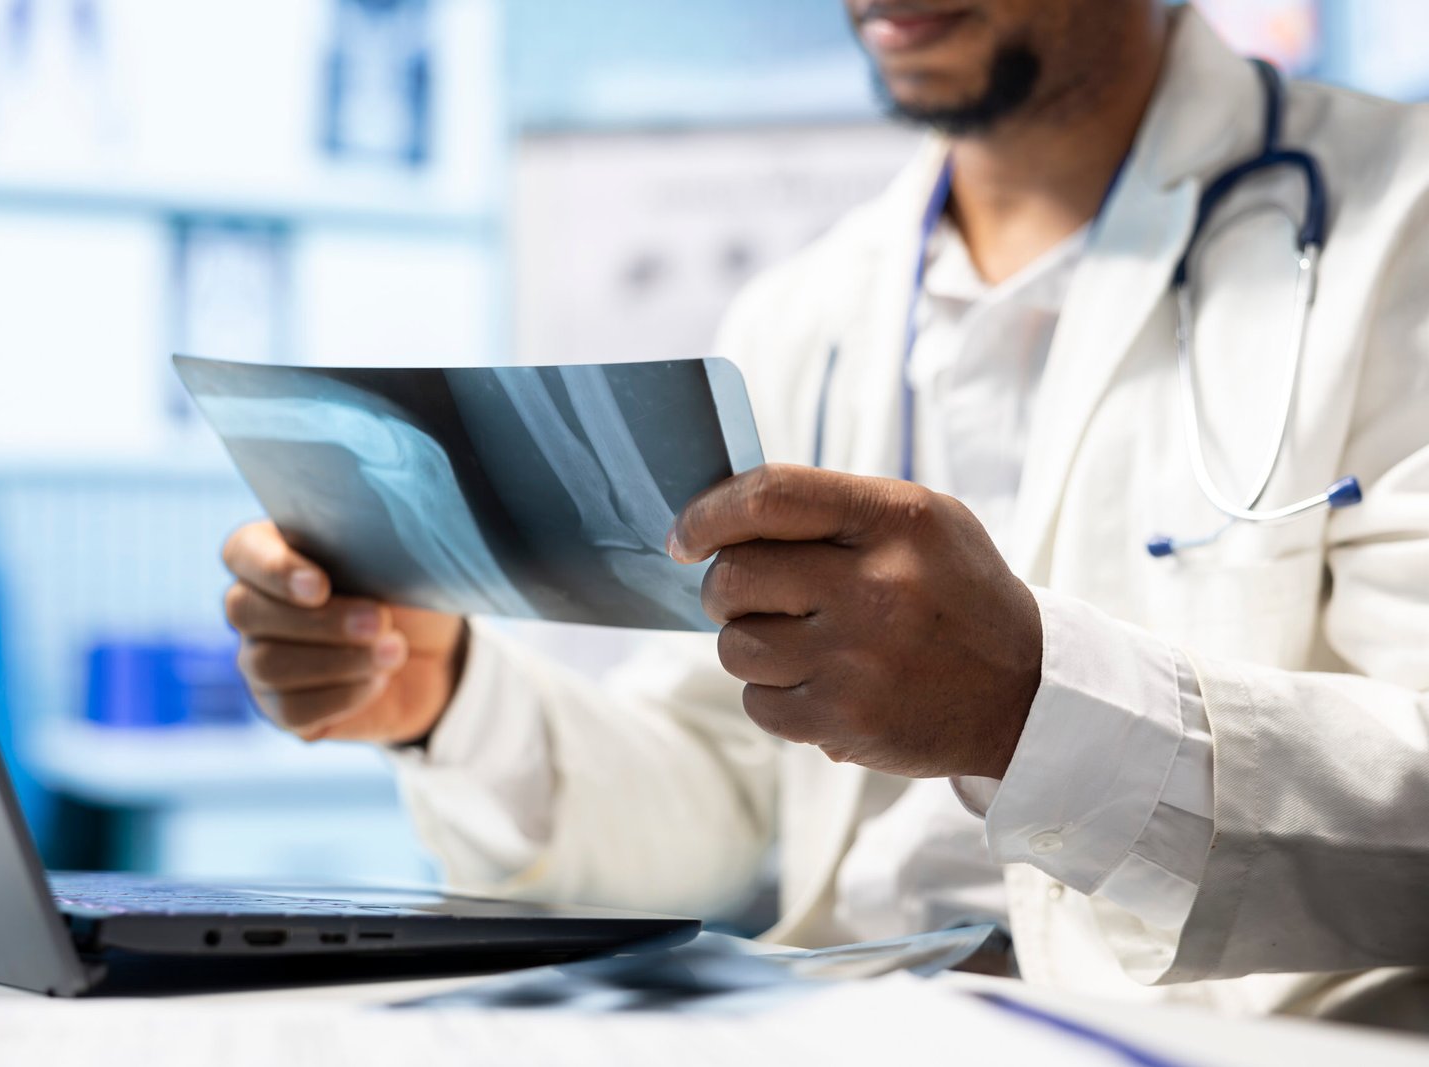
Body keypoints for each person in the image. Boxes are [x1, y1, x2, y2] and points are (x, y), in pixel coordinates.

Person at [220, 0, 1429, 1026]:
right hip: (845, 1021)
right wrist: (446, 697)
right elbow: (725, 796)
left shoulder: (1401, 222)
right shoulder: (805, 311)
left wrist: (1028, 706)